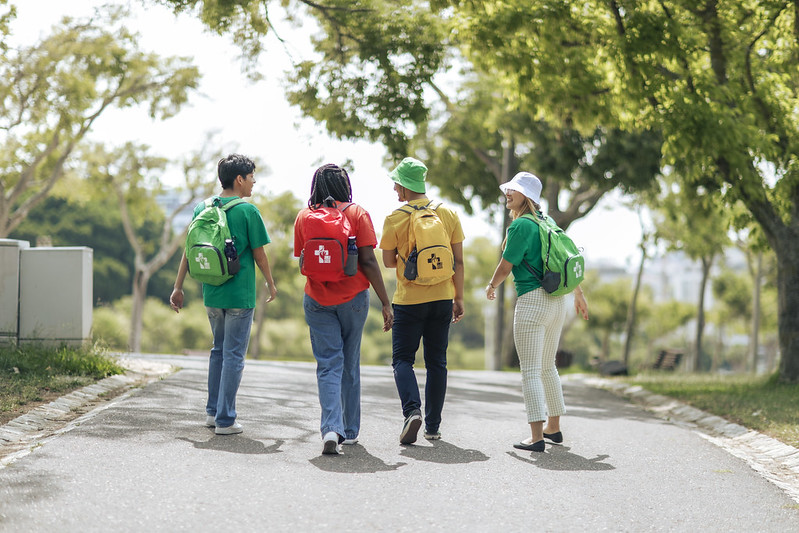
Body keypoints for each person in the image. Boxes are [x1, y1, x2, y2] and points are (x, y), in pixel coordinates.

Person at [170, 154, 277, 436]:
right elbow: (259, 254)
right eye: (252, 177)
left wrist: (178, 287)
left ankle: (211, 411)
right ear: (240, 179)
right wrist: (270, 283)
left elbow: (188, 252)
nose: (254, 182)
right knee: (233, 355)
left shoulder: (202, 208)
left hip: (212, 294)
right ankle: (226, 419)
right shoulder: (248, 211)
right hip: (239, 296)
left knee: (218, 350)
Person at [294, 164, 393, 455]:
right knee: (350, 362)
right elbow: (369, 261)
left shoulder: (304, 216)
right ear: (345, 185)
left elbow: (302, 259)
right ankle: (349, 432)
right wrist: (386, 302)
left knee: (328, 364)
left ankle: (329, 428)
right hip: (353, 299)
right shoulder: (357, 213)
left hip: (316, 299)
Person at [485, 171, 588, 452]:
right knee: (547, 367)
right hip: (557, 302)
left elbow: (506, 266)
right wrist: (579, 294)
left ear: (526, 197)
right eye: (508, 190)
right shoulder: (548, 222)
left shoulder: (521, 227)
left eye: (514, 191)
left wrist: (491, 285)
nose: (508, 194)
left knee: (530, 371)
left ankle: (536, 436)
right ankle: (553, 428)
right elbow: (567, 258)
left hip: (532, 302)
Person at [379, 157, 465, 444]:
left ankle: (412, 411)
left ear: (404, 186)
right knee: (437, 361)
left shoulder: (394, 218)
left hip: (409, 299)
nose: (394, 189)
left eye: (396, 183)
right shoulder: (448, 214)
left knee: (403, 359)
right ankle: (432, 427)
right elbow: (459, 262)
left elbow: (389, 262)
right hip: (443, 297)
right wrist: (459, 297)